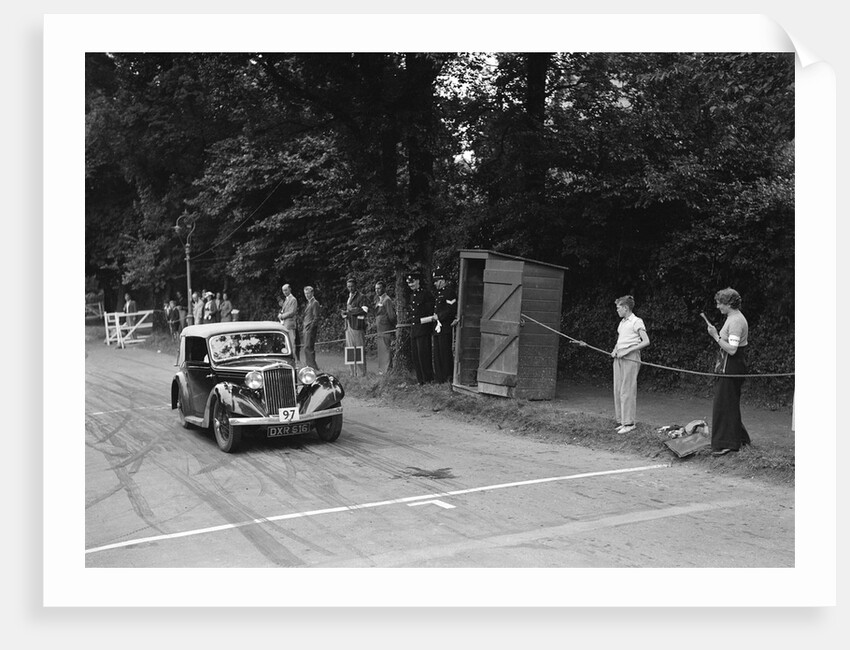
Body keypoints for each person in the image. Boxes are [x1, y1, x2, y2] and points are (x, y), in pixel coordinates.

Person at [704, 287, 751, 456]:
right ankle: (741, 439)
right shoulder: (732, 318)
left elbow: (732, 349)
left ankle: (728, 444)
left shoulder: (736, 321)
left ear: (728, 304)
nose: (718, 307)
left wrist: (715, 336)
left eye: (719, 304)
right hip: (728, 366)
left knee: (724, 405)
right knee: (727, 403)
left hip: (732, 366)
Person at [610, 295, 650, 433]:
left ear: (626, 308)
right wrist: (615, 350)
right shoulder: (622, 323)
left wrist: (627, 351)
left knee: (627, 390)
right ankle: (621, 421)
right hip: (619, 357)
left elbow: (645, 341)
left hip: (631, 357)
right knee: (619, 389)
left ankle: (629, 423)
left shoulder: (636, 321)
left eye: (618, 308)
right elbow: (621, 340)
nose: (617, 310)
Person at [406, 270, 435, 384]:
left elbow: (431, 312)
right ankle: (420, 380)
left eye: (412, 282)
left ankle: (428, 379)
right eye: (409, 283)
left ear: (418, 281)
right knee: (416, 356)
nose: (410, 285)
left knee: (424, 355)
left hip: (423, 329)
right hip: (415, 329)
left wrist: (422, 322)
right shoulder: (412, 295)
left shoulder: (426, 294)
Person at [431, 267, 458, 383]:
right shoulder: (438, 294)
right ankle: (439, 377)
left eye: (436, 281)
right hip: (437, 327)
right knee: (437, 353)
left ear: (442, 280)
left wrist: (439, 316)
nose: (435, 284)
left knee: (445, 352)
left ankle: (447, 377)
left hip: (445, 326)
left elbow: (451, 310)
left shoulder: (449, 293)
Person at [341, 277, 370, 376]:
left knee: (359, 349)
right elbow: (350, 311)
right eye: (348, 286)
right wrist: (345, 313)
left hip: (357, 326)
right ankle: (352, 372)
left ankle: (361, 373)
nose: (350, 288)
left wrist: (351, 310)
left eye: (352, 286)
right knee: (350, 350)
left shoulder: (362, 297)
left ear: (356, 286)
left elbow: (364, 311)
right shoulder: (349, 297)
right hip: (348, 326)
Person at [373, 280, 396, 375]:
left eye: (379, 288)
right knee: (382, 349)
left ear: (384, 289)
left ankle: (387, 370)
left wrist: (393, 327)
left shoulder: (387, 300)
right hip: (380, 329)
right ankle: (382, 370)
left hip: (386, 329)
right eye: (376, 289)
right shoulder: (378, 299)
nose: (377, 290)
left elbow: (392, 316)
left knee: (386, 350)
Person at [301, 285, 321, 370]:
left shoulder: (315, 302)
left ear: (312, 293)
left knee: (308, 347)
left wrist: (311, 328)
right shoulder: (309, 302)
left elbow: (316, 317)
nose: (306, 295)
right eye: (305, 293)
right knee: (306, 347)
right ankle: (309, 365)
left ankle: (313, 366)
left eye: (308, 293)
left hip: (310, 329)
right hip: (306, 328)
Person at [279, 284, 299, 358]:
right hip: (285, 324)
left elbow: (292, 312)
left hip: (290, 324)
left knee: (291, 343)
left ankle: (293, 360)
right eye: (283, 290)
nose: (284, 292)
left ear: (290, 289)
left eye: (286, 290)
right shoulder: (286, 299)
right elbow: (283, 311)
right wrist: (280, 314)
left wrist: (282, 316)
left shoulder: (293, 299)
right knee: (287, 344)